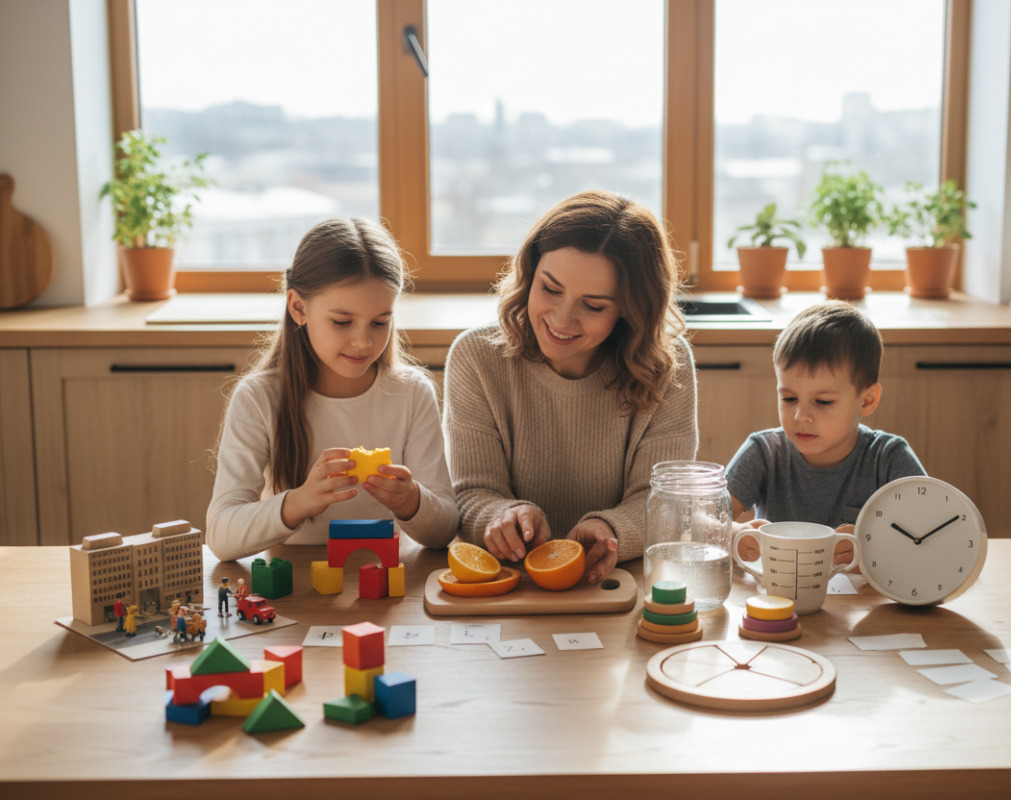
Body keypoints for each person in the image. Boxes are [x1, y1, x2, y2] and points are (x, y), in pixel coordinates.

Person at [444, 190, 698, 584]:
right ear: (530, 272)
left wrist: (611, 530)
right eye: (550, 288)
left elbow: (664, 502)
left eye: (593, 306)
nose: (562, 320)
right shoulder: (476, 358)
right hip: (512, 586)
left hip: (621, 583)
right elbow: (473, 493)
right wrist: (501, 517)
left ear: (630, 309)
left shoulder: (667, 366)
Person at [206, 217, 459, 562]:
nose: (363, 341)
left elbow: (445, 529)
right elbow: (221, 536)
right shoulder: (258, 398)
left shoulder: (412, 393)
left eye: (380, 322)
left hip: (386, 580)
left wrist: (412, 501)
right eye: (342, 322)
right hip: (296, 581)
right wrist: (299, 502)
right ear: (299, 308)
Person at [726, 301, 925, 562]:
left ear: (866, 401)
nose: (800, 416)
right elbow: (703, 518)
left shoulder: (888, 457)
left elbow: (930, 535)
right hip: (777, 589)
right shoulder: (764, 452)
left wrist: (877, 548)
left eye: (823, 401)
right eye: (788, 398)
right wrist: (732, 534)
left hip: (863, 592)